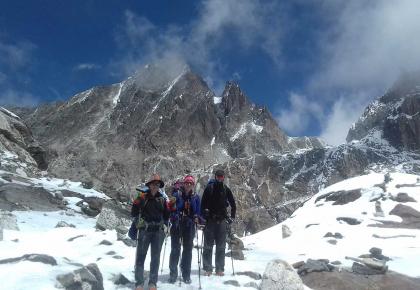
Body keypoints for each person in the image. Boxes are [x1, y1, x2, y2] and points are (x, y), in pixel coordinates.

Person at [131, 174, 170, 290]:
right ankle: (139, 282)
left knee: (155, 258)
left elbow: (166, 215)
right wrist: (138, 221)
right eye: (153, 184)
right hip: (145, 231)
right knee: (140, 256)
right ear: (149, 185)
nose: (155, 186)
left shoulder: (162, 199)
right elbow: (134, 213)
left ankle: (153, 282)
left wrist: (171, 207)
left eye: (157, 185)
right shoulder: (142, 197)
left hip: (158, 232)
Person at [201, 169, 236, 276]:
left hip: (221, 221)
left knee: (221, 246)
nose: (220, 178)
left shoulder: (226, 189)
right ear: (215, 177)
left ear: (223, 177)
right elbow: (202, 204)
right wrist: (204, 216)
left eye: (221, 176)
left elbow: (233, 204)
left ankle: (219, 268)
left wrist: (232, 217)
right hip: (210, 220)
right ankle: (208, 268)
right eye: (218, 176)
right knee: (208, 246)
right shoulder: (209, 188)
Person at [167, 175, 201, 284]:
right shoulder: (177, 195)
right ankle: (173, 274)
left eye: (190, 183)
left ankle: (186, 274)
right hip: (177, 225)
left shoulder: (195, 197)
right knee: (175, 250)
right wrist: (174, 215)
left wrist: (197, 217)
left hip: (189, 225)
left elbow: (198, 212)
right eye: (187, 183)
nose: (188, 185)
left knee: (187, 251)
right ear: (184, 184)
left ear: (193, 185)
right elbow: (170, 208)